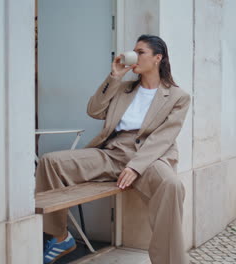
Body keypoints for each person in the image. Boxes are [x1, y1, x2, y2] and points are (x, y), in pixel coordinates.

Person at [37, 34, 190, 264]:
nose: (134, 56)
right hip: (112, 153)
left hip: (148, 156)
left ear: (158, 58)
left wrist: (136, 167)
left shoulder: (178, 97)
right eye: (134, 51)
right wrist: (114, 77)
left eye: (141, 52)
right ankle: (60, 238)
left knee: (172, 185)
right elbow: (94, 111)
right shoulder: (124, 88)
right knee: (51, 162)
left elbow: (163, 138)